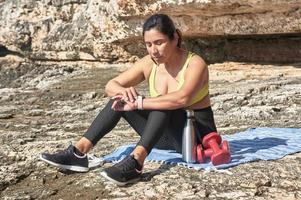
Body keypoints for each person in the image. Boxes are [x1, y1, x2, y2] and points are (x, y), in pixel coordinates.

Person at [40, 13, 217, 186]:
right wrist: (125, 94)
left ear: (175, 38)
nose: (153, 50)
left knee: (163, 104)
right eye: (148, 44)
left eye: (159, 43)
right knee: (119, 99)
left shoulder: (195, 63)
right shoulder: (149, 63)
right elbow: (111, 85)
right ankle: (78, 153)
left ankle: (136, 162)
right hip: (164, 138)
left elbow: (181, 99)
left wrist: (139, 102)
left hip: (195, 140)